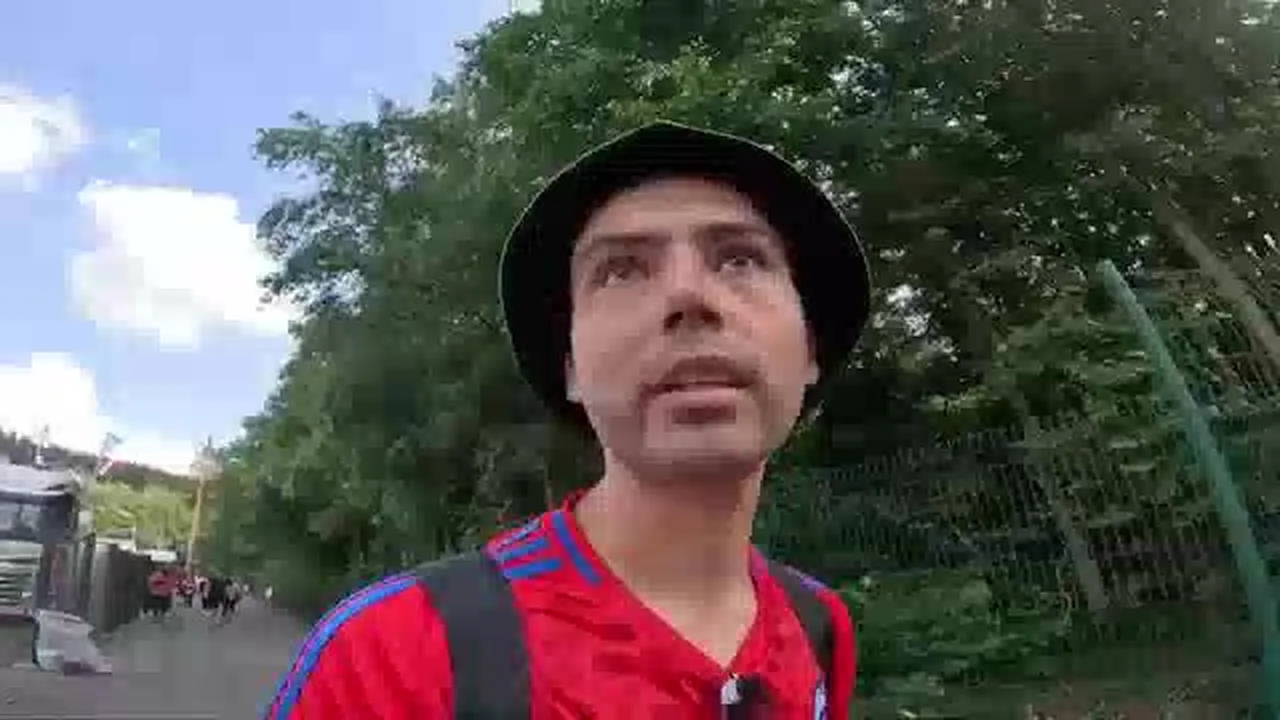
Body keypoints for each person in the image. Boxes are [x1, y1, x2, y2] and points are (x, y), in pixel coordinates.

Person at [265, 121, 872, 719]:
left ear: (810, 349)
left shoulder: (818, 624)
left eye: (740, 259)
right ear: (571, 370)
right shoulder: (389, 656)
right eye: (622, 270)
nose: (690, 296)